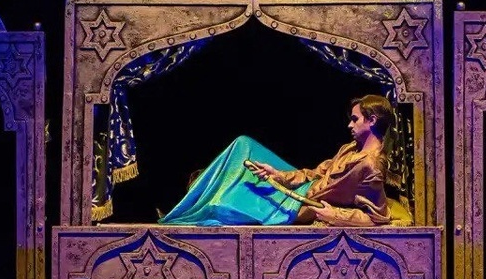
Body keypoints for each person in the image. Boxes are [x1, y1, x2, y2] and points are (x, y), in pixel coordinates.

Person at [158, 95, 394, 227]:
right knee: (243, 146)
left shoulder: (371, 166)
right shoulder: (350, 147)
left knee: (230, 198)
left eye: (355, 119)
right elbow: (315, 173)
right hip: (300, 187)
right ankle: (192, 201)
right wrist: (279, 175)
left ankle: (188, 210)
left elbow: (378, 217)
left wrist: (335, 215)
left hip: (301, 204)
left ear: (372, 120)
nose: (349, 125)